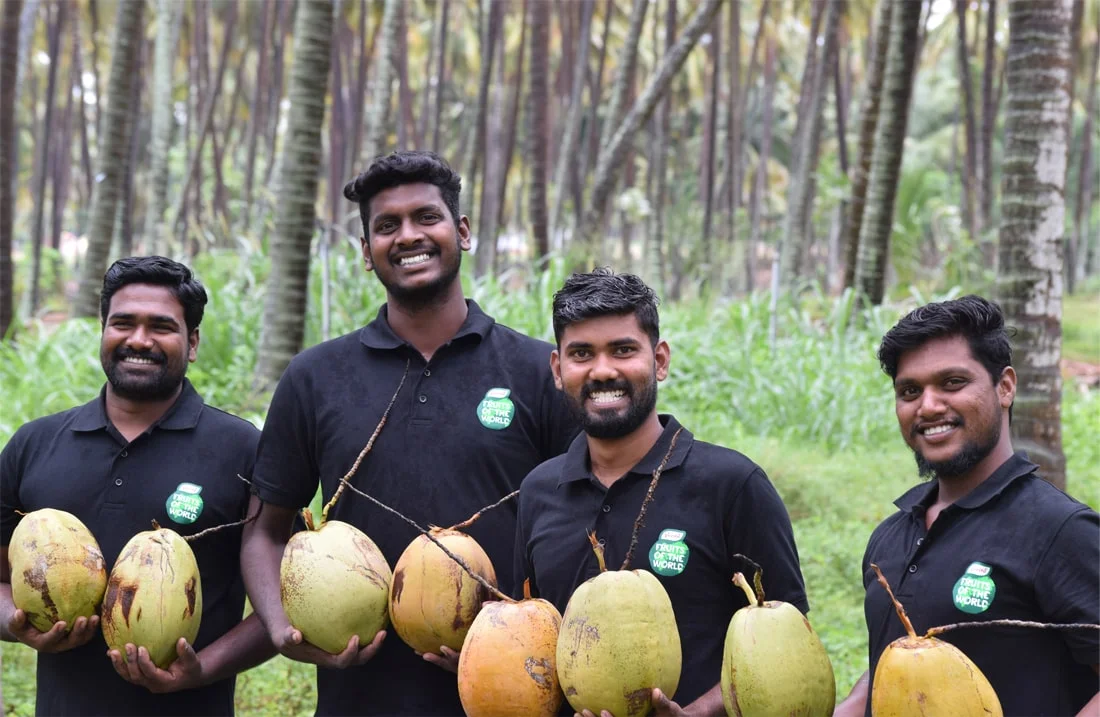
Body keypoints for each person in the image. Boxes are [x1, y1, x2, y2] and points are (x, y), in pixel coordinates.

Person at [241, 150, 577, 716]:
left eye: (427, 216)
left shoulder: (538, 370)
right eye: (386, 225)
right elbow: (263, 530)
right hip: (361, 691)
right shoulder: (316, 378)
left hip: (510, 688)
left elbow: (584, 523)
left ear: (462, 231)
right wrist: (282, 629)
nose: (408, 236)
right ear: (367, 253)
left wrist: (530, 627)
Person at [514, 268, 808, 717]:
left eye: (623, 349)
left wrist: (696, 713)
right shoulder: (538, 490)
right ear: (558, 370)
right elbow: (531, 632)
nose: (603, 370)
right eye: (582, 353)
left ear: (661, 360)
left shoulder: (732, 484)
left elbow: (785, 652)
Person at [0, 256, 273, 716]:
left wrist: (203, 668)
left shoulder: (242, 449)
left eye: (161, 326)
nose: (139, 340)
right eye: (122, 323)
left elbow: (283, 603)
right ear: (103, 332)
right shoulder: (35, 443)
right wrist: (15, 620)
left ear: (193, 343)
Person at [834, 295, 1099, 717]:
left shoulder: (1059, 529)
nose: (929, 405)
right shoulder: (892, 535)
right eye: (909, 390)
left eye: (953, 382)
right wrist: (849, 707)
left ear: (1005, 386)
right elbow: (896, 655)